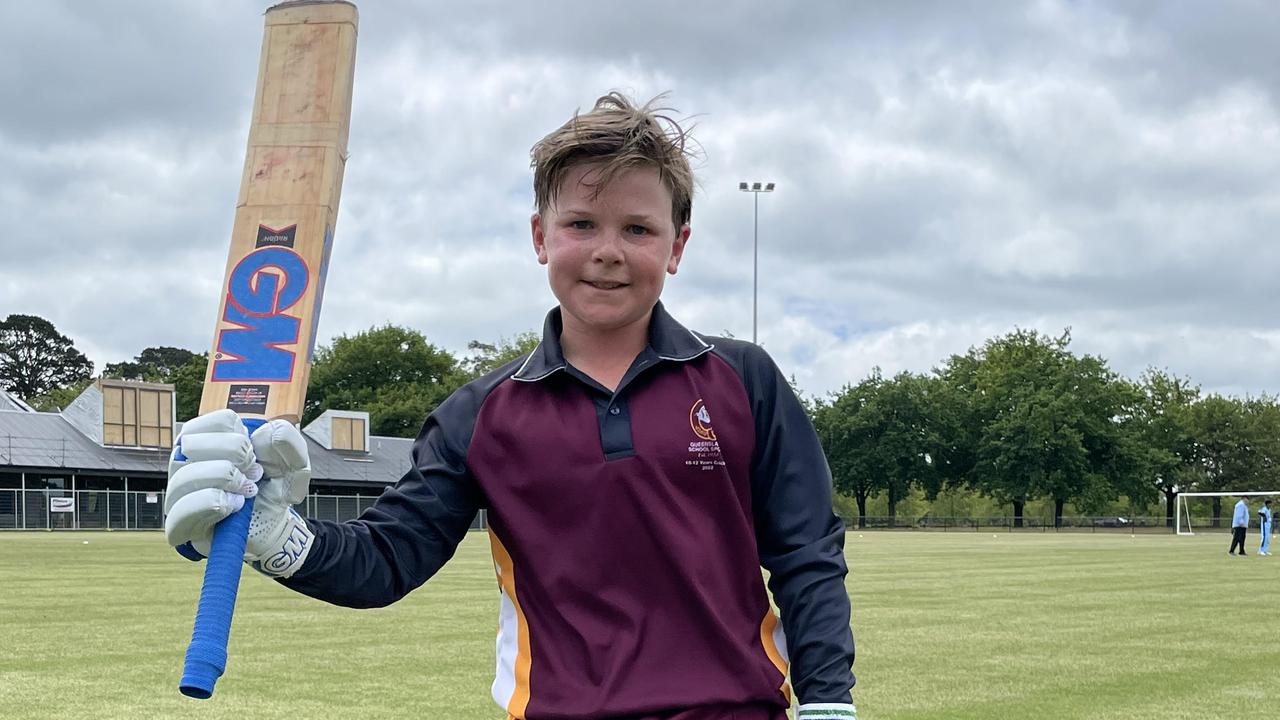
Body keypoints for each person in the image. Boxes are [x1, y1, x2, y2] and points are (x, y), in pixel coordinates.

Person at [163, 92, 857, 720]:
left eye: (638, 230)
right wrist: (278, 537)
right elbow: (388, 560)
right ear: (540, 237)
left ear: (677, 246)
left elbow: (807, 556)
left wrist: (829, 705)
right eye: (581, 224)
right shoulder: (480, 414)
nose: (608, 252)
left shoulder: (743, 379)